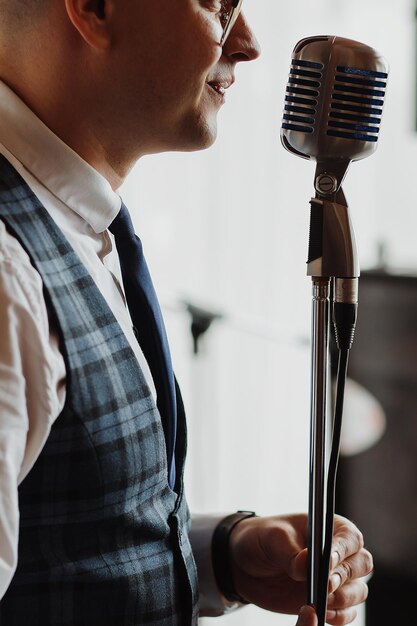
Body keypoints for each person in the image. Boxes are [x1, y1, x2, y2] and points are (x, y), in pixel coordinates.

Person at [0, 1, 372, 624]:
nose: (249, 43)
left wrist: (219, 555)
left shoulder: (75, 220)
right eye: (219, 4)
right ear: (94, 8)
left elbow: (65, 536)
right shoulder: (10, 273)